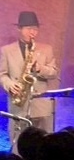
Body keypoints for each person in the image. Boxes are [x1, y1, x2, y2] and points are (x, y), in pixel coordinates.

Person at [1, 10, 60, 147]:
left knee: (44, 145)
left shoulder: (46, 49)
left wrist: (40, 69)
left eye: (35, 29)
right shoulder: (6, 50)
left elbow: (54, 72)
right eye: (28, 29)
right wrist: (9, 84)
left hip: (41, 106)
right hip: (18, 104)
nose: (32, 33)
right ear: (19, 29)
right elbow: (2, 74)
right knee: (18, 146)